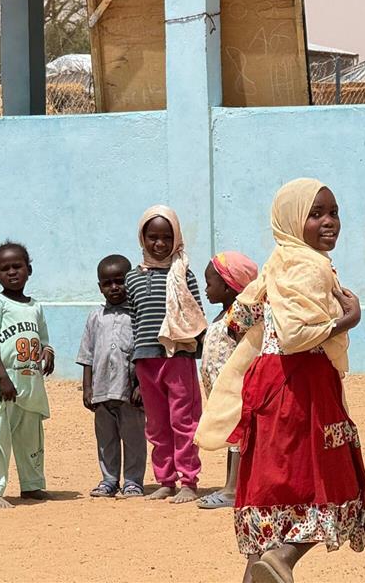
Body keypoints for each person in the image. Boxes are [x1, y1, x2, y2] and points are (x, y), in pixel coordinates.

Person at [196, 179, 365, 583]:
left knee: (271, 489)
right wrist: (349, 319)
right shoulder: (310, 265)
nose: (329, 222)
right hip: (302, 384)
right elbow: (295, 335)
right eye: (316, 214)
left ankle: (260, 570)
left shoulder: (279, 261)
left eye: (334, 212)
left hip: (267, 384)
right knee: (333, 483)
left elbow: (239, 320)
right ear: (293, 220)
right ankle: (283, 560)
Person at [126, 205, 208, 504]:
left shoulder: (183, 274)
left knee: (183, 421)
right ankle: (165, 479)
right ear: (142, 238)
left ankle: (188, 480)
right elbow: (133, 321)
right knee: (157, 424)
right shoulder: (132, 279)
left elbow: (196, 315)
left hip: (177, 358)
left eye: (165, 237)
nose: (159, 243)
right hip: (146, 360)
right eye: (152, 237)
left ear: (176, 239)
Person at [0, 241, 55, 509]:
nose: (12, 272)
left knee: (31, 437)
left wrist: (48, 351)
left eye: (17, 266)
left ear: (29, 269)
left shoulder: (35, 307)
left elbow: (42, 338)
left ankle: (32, 485)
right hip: (4, 389)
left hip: (29, 387)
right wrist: (3, 378)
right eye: (4, 268)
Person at [77, 254, 146, 499]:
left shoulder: (138, 315)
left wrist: (142, 387)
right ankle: (109, 480)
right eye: (108, 283)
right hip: (102, 391)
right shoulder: (96, 317)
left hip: (130, 393)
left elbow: (145, 353)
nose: (114, 287)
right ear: (100, 287)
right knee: (106, 439)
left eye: (120, 281)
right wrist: (87, 389)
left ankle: (134, 481)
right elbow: (87, 355)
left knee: (134, 438)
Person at [195, 251, 258, 510]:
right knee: (231, 439)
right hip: (221, 391)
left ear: (229, 286)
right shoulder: (222, 316)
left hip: (235, 390)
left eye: (210, 283)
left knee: (236, 439)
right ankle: (233, 487)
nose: (206, 289)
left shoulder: (237, 319)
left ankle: (233, 490)